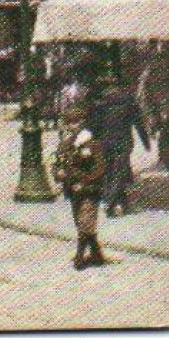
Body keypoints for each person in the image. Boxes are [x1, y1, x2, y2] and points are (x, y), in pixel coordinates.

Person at [88, 78, 151, 217]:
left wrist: (93, 142)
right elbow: (139, 123)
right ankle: (111, 203)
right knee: (120, 172)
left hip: (105, 143)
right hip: (123, 142)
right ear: (118, 86)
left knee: (111, 172)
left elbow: (93, 125)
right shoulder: (128, 101)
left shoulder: (100, 103)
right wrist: (147, 143)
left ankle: (123, 203)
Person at [55, 111, 108, 270]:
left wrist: (84, 183)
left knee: (85, 222)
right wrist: (58, 173)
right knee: (81, 223)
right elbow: (58, 162)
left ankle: (79, 257)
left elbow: (100, 169)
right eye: (69, 123)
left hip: (90, 190)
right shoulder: (65, 144)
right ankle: (97, 254)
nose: (72, 126)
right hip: (72, 190)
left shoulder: (91, 143)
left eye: (76, 122)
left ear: (82, 122)